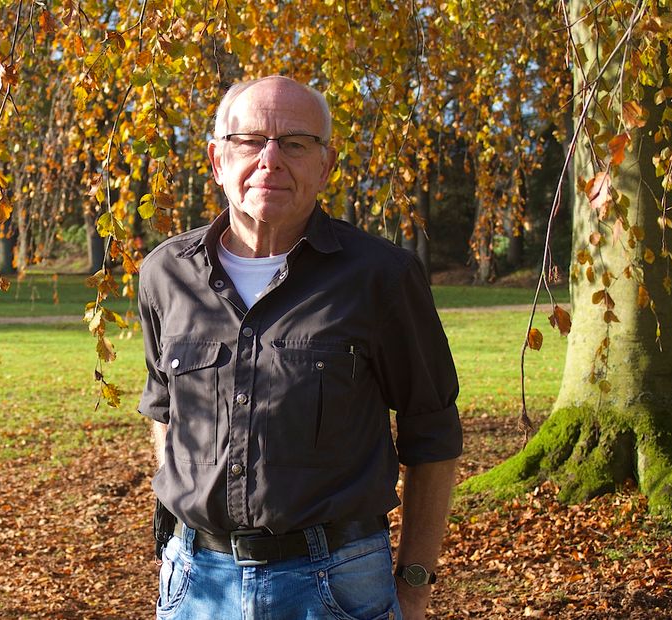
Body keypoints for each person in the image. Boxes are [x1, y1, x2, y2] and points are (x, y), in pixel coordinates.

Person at [137, 75, 462, 620]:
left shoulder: (381, 277)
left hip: (335, 585)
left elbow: (433, 433)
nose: (270, 159)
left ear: (325, 165)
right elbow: (165, 411)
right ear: (217, 160)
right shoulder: (166, 273)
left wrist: (415, 583)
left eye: (294, 142)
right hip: (196, 586)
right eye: (249, 141)